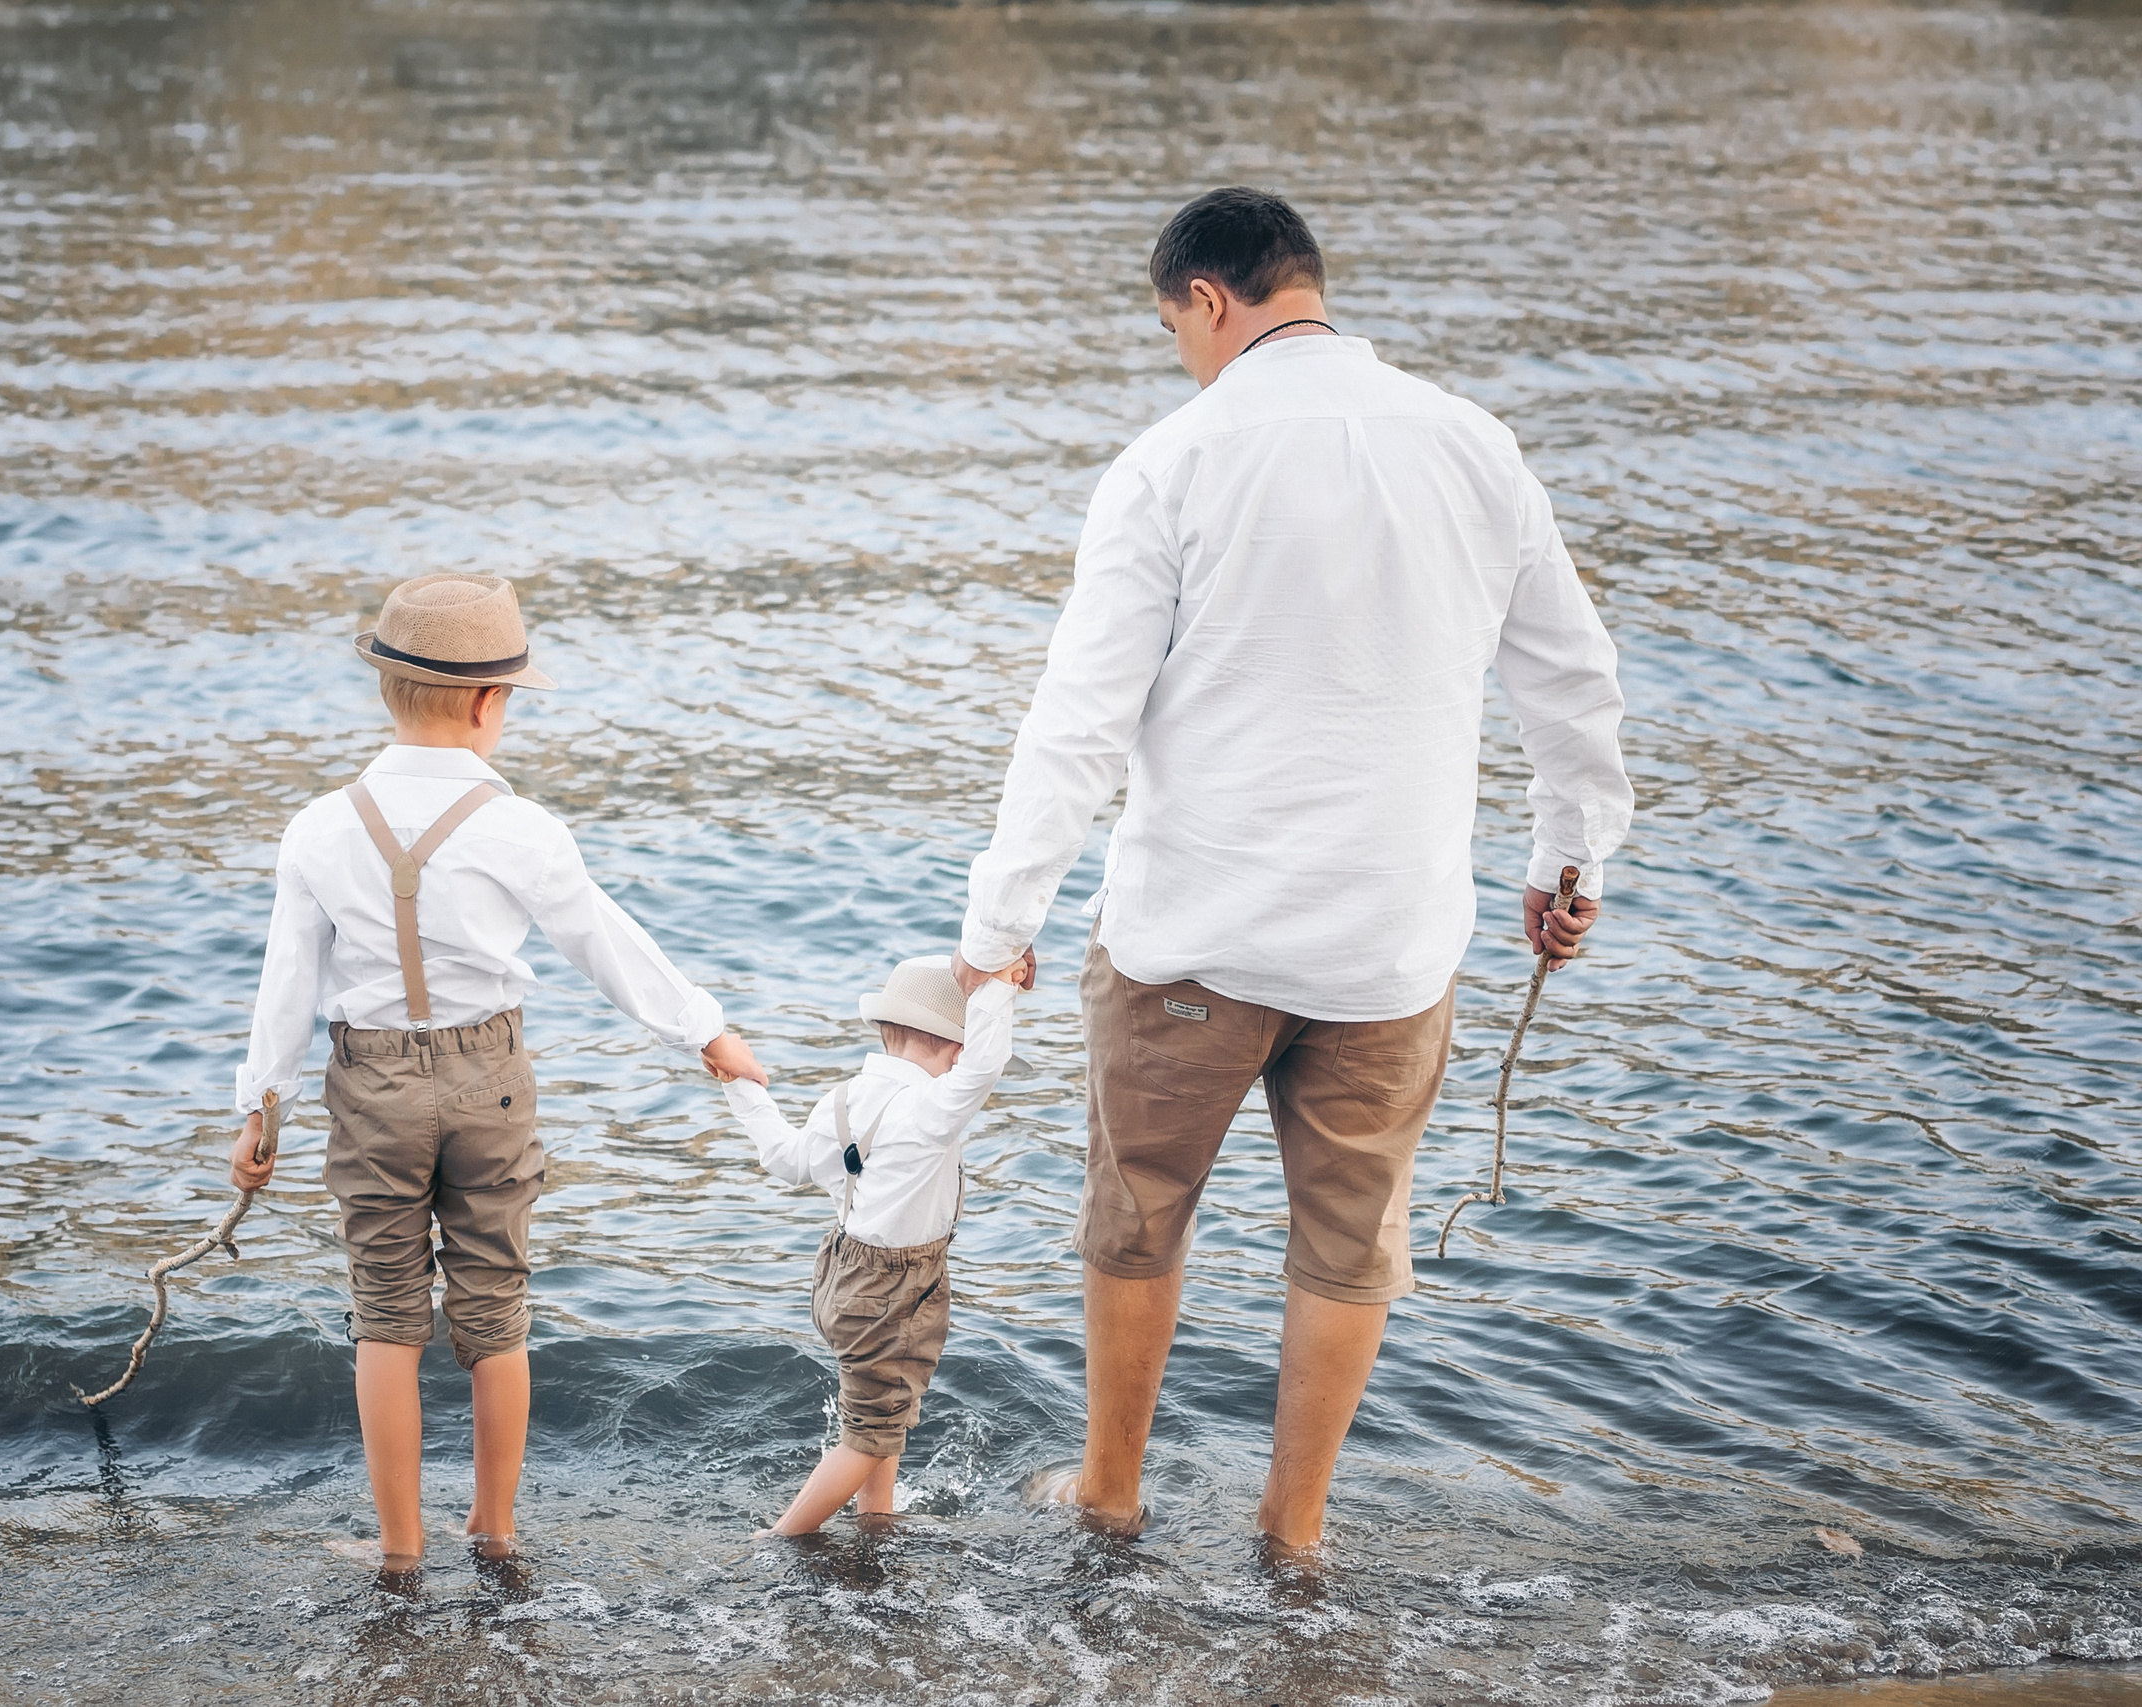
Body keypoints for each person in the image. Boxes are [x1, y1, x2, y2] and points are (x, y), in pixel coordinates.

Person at [951, 187, 1633, 1555]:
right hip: (1390, 947)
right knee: (1348, 1241)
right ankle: (1295, 1525)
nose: (1182, 357)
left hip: (1191, 938)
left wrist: (997, 922)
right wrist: (1571, 858)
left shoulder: (1174, 460)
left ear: (1208, 300)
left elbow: (1079, 722)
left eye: (1173, 329)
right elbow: (1571, 679)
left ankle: (1111, 1491)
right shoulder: (1474, 445)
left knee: (1140, 1216)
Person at [226, 572, 766, 1570]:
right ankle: (495, 1528)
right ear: (489, 703)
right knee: (496, 1302)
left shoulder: (318, 826)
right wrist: (706, 1034)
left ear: (387, 691)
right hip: (491, 1079)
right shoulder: (521, 828)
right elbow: (607, 943)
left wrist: (261, 1115)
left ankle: (397, 1546)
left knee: (385, 1311)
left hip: (372, 1086)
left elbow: (284, 991)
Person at [717, 951, 1032, 1535]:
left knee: (881, 1414)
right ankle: (783, 1535)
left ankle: (875, 1521)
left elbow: (785, 1161)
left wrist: (744, 1086)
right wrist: (995, 991)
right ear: (956, 1050)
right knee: (870, 1433)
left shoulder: (841, 1099)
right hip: (894, 1287)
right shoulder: (931, 1109)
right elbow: (988, 1065)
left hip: (842, 1271)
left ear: (887, 1031)